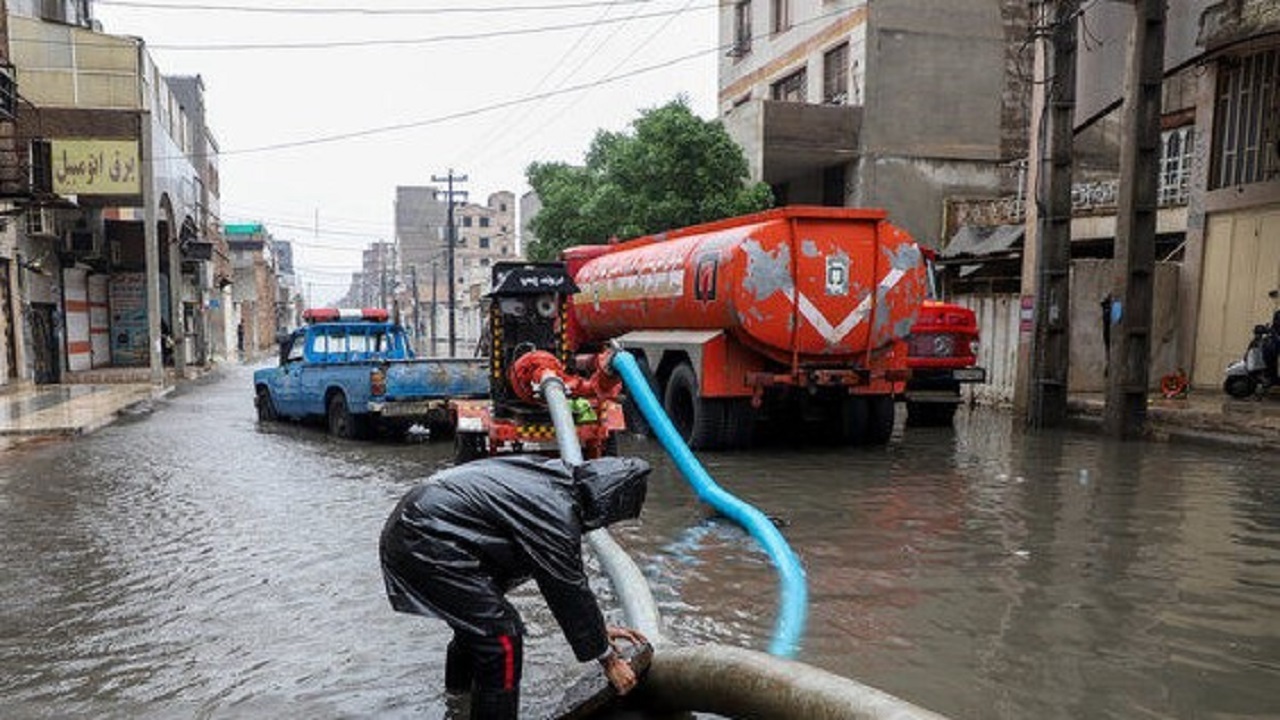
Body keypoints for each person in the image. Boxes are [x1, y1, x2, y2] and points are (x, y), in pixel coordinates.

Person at [379, 455, 651, 719]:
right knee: (501, 639)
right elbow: (566, 587)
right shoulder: (556, 513)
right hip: (426, 538)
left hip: (417, 528)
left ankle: (457, 702)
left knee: (476, 630)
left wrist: (597, 631)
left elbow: (564, 582)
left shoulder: (553, 478)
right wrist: (609, 660)